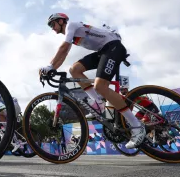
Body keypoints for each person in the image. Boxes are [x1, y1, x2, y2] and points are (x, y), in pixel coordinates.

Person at [39, 13, 145, 149]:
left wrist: (50, 66)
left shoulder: (71, 25)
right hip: (103, 51)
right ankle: (98, 102)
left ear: (61, 21)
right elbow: (64, 54)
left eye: (52, 24)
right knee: (74, 70)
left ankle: (136, 125)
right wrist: (52, 68)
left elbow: (63, 48)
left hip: (113, 47)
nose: (52, 28)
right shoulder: (71, 35)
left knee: (100, 86)